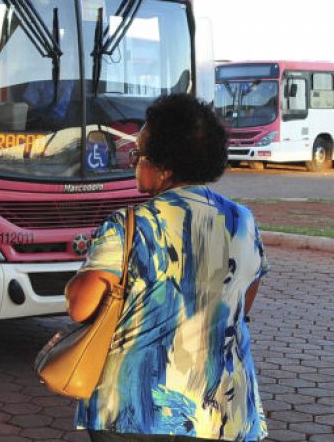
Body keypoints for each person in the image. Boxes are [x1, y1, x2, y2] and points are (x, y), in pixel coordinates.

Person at [65, 93, 268, 441]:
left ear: (164, 167)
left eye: (139, 154)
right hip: (221, 409)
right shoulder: (243, 222)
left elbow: (80, 306)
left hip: (136, 409)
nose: (133, 162)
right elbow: (245, 298)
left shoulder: (131, 226)